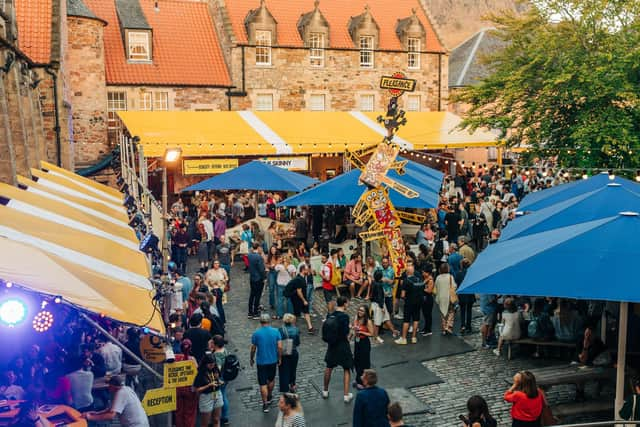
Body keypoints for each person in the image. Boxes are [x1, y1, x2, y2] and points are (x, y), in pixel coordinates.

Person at [82, 376, 149, 427]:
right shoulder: (127, 389)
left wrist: (90, 417)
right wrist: (96, 413)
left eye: (109, 385)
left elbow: (111, 415)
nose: (108, 387)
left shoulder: (120, 393)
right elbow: (112, 409)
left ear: (114, 386)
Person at [322, 296, 354, 403]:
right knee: (346, 368)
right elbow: (345, 333)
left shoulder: (331, 315)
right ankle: (346, 395)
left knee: (329, 367)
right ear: (344, 304)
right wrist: (351, 331)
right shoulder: (344, 317)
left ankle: (325, 390)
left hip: (332, 345)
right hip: (343, 345)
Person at [250, 314, 282, 413]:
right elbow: (280, 347)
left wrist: (251, 358)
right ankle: (269, 395)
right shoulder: (276, 331)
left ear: (260, 322)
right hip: (272, 360)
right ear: (269, 321)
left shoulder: (256, 333)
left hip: (261, 361)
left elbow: (253, 348)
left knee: (262, 383)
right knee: (271, 379)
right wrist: (279, 358)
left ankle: (265, 404)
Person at [395, 261, 425, 345]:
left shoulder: (406, 281)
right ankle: (414, 337)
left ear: (407, 272)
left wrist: (404, 297)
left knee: (406, 321)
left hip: (409, 303)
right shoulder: (419, 279)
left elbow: (402, 295)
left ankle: (403, 338)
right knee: (416, 320)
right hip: (418, 302)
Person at [194, 353, 224, 427]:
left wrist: (219, 382)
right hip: (206, 397)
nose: (212, 366)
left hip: (217, 394)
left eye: (213, 364)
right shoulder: (201, 374)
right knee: (205, 423)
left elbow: (218, 379)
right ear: (205, 364)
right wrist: (208, 385)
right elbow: (197, 389)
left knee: (216, 419)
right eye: (210, 365)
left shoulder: (215, 369)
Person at [370, 270, 399, 343]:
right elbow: (379, 297)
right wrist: (382, 307)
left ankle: (394, 331)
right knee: (377, 322)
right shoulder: (378, 285)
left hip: (377, 304)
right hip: (379, 305)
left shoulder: (374, 283)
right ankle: (376, 337)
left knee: (386, 318)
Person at [174, 339, 198, 427]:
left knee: (178, 411)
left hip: (178, 389)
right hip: (189, 389)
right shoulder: (192, 360)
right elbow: (196, 373)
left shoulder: (175, 357)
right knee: (190, 412)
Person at [352, 304, 374, 389]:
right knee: (357, 361)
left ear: (365, 313)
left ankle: (363, 382)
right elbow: (354, 328)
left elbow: (371, 334)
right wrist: (352, 331)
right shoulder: (356, 318)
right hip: (357, 342)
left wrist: (362, 332)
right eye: (359, 310)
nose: (359, 312)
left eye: (362, 311)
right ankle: (358, 379)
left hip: (364, 342)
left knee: (364, 363)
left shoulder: (368, 321)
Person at [288, 264, 315, 333]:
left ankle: (310, 327)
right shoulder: (299, 279)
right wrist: (304, 300)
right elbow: (299, 292)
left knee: (306, 312)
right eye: (307, 270)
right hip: (297, 299)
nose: (308, 271)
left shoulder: (303, 277)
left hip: (302, 298)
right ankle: (293, 328)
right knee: (296, 314)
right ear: (303, 270)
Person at [210, 335, 230, 425]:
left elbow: (218, 368)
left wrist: (216, 379)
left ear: (216, 344)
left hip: (220, 378)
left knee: (220, 397)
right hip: (226, 376)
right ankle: (225, 416)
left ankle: (221, 417)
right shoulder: (224, 350)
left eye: (212, 343)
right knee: (224, 395)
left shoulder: (217, 354)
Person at [279, 314, 301, 393]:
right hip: (294, 352)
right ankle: (292, 384)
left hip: (284, 352)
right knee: (293, 369)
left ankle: (284, 388)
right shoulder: (296, 329)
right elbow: (298, 343)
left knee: (284, 371)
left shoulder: (281, 330)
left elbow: (279, 343)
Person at [434, 263, 457, 336]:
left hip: (441, 297)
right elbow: (454, 286)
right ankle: (448, 326)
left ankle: (444, 329)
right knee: (451, 312)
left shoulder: (438, 277)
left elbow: (436, 288)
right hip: (449, 297)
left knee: (443, 314)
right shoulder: (450, 277)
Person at [248, 243, 267, 319]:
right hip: (258, 278)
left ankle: (250, 312)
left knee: (252, 295)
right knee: (257, 296)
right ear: (258, 247)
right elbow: (261, 269)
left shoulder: (250, 255)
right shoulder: (258, 257)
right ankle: (255, 312)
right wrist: (264, 278)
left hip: (252, 278)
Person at [457, 259, 474, 335]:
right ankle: (468, 326)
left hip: (462, 294)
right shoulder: (471, 273)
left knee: (463, 310)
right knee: (469, 310)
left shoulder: (459, 273)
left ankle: (463, 325)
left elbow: (457, 283)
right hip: (470, 293)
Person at [420, 265, 435, 337]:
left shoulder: (430, 280)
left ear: (428, 273)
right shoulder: (426, 279)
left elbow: (429, 290)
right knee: (425, 314)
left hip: (428, 299)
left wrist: (421, 289)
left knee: (428, 315)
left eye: (424, 272)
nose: (422, 274)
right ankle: (425, 328)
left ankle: (428, 330)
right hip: (424, 298)